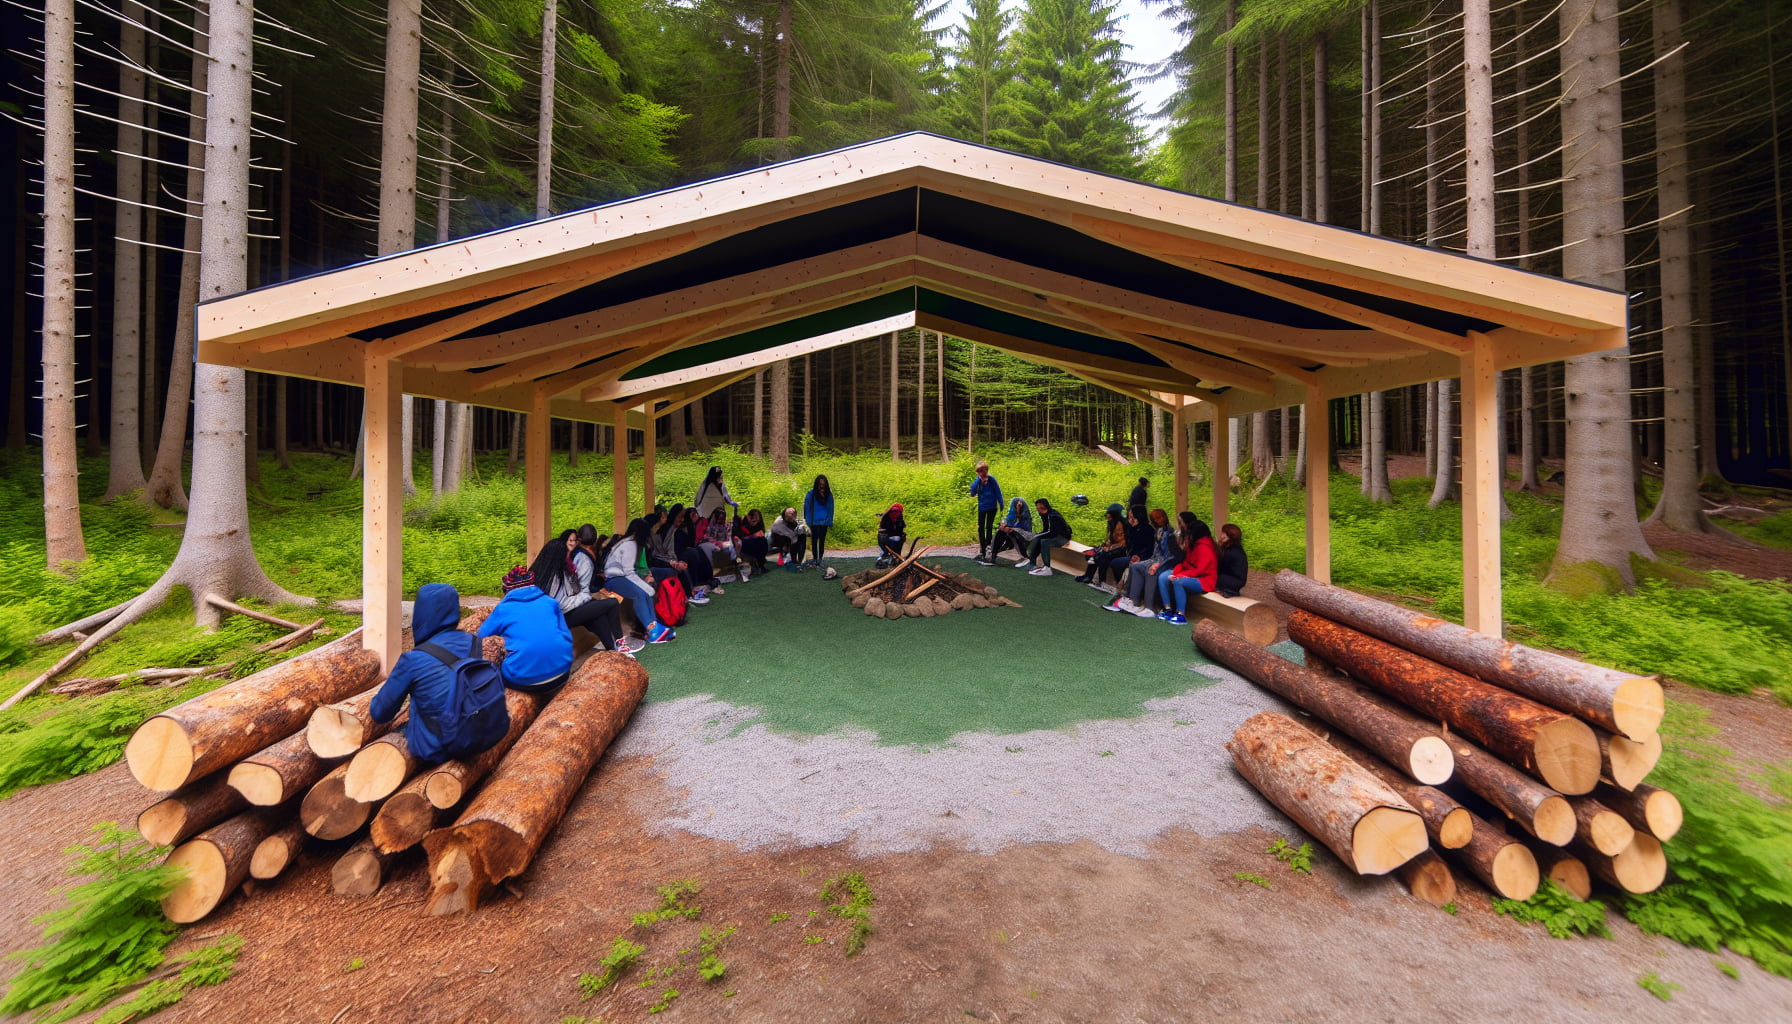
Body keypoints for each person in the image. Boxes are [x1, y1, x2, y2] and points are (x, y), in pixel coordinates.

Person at [369, 582, 504, 762]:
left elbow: (380, 713)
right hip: (478, 736)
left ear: (421, 614)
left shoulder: (412, 660)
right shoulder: (474, 643)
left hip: (436, 750)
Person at [530, 529, 635, 655]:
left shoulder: (557, 571)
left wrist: (583, 598)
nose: (569, 554)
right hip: (560, 617)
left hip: (569, 610)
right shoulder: (553, 577)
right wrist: (584, 598)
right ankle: (620, 643)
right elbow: (560, 605)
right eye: (566, 552)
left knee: (598, 617)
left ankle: (613, 651)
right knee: (612, 603)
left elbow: (570, 596)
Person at [478, 565, 576, 693]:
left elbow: (482, 634)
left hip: (524, 679)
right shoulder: (550, 602)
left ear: (507, 590)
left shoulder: (504, 609)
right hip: (562, 671)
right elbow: (566, 635)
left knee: (494, 672)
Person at [604, 517, 676, 643]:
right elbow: (628, 572)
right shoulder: (630, 544)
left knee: (645, 593)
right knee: (639, 594)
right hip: (614, 579)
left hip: (622, 577)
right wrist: (647, 587)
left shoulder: (629, 542)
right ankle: (651, 630)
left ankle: (655, 626)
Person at [1106, 508, 1177, 617]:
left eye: (1160, 517)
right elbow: (1155, 552)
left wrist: (1156, 564)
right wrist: (1149, 561)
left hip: (1167, 563)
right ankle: (1133, 601)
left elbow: (1170, 555)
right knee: (1136, 567)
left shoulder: (1171, 533)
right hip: (1154, 559)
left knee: (1150, 571)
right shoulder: (1158, 531)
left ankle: (1150, 608)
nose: (1158, 520)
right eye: (1155, 519)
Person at [1155, 513, 1219, 626]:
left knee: (1178, 581)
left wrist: (1180, 575)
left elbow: (1200, 571)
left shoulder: (1205, 547)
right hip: (1190, 574)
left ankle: (1180, 615)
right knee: (1163, 577)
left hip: (1204, 580)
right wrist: (1177, 571)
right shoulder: (1194, 544)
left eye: (1190, 533)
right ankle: (1167, 609)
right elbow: (1186, 562)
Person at [1076, 503, 1129, 586]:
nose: (1107, 517)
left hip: (1122, 549)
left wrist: (1109, 548)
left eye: (1109, 515)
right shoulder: (1112, 523)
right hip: (1113, 547)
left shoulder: (1120, 525)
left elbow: (1123, 543)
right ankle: (1088, 576)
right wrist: (1104, 546)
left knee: (1103, 556)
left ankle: (1101, 580)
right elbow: (1110, 539)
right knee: (1094, 551)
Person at [1017, 497, 1070, 576]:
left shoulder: (1053, 515)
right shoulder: (1043, 514)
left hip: (1062, 537)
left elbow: (1052, 532)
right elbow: (1046, 529)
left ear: (1042, 506)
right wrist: (1037, 535)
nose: (1036, 508)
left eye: (1037, 506)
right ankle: (1032, 563)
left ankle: (1047, 568)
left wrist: (1037, 536)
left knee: (1044, 542)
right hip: (1054, 535)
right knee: (1038, 539)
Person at [968, 461, 1003, 565]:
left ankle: (988, 547)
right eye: (978, 471)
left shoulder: (992, 480)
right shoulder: (977, 481)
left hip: (992, 507)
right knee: (981, 528)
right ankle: (982, 549)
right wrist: (978, 481)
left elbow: (998, 492)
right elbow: (972, 493)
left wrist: (1001, 504)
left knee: (989, 527)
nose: (980, 473)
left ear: (986, 470)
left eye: (982, 471)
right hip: (982, 507)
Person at [989, 495, 1033, 562]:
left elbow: (1024, 530)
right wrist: (1003, 526)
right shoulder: (1012, 515)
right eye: (1017, 504)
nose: (1018, 505)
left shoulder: (1026, 517)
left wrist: (1010, 529)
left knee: (1013, 532)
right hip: (1010, 537)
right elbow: (1005, 523)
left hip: (1023, 538)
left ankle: (1025, 556)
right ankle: (993, 554)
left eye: (1020, 504)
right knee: (1000, 532)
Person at [803, 474, 835, 567]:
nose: (822, 486)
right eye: (820, 484)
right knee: (814, 541)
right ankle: (815, 558)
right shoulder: (811, 494)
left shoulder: (828, 495)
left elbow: (831, 508)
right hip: (814, 522)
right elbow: (807, 507)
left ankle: (820, 558)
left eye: (823, 484)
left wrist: (829, 521)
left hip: (824, 522)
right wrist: (808, 520)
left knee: (822, 541)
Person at [1215, 522, 1249, 598]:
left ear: (1232, 536)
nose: (1222, 536)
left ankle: (1226, 592)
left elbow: (1220, 568)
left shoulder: (1232, 552)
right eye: (1223, 533)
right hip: (1233, 580)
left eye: (1225, 534)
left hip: (1233, 582)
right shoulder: (1232, 548)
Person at [734, 508, 770, 575]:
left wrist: (757, 534)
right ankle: (759, 564)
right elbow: (741, 536)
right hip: (745, 543)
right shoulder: (743, 523)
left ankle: (760, 564)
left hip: (756, 543)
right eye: (753, 517)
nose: (754, 520)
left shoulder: (759, 525)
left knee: (762, 541)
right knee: (758, 542)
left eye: (757, 518)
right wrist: (753, 535)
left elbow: (761, 533)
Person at [875, 503, 907, 567]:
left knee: (900, 540)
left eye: (898, 512)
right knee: (885, 552)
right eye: (894, 511)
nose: (896, 513)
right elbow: (890, 528)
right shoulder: (887, 517)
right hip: (884, 536)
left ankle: (896, 557)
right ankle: (886, 559)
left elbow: (900, 527)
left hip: (890, 535)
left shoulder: (898, 517)